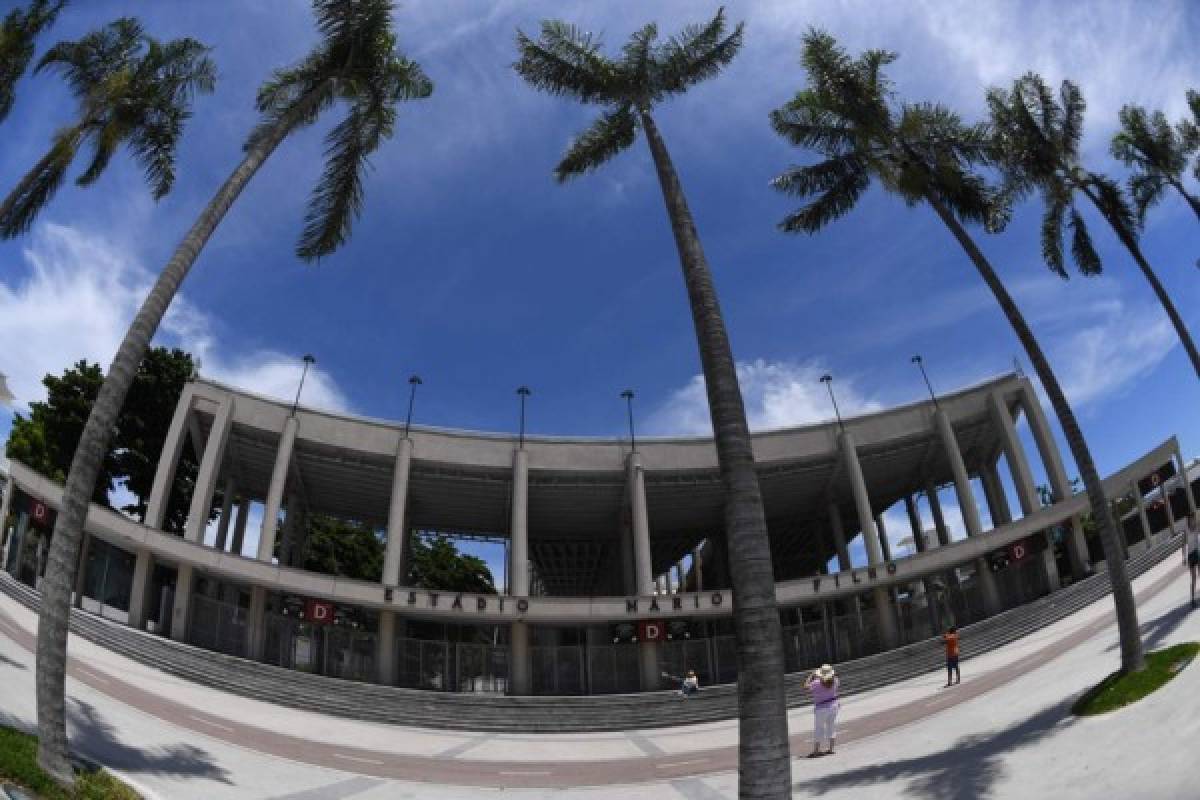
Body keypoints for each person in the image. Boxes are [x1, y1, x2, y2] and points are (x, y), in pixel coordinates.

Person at [804, 663, 839, 757]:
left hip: (821, 708)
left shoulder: (816, 683)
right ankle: (831, 748)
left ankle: (816, 750)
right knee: (831, 726)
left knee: (819, 728)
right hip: (833, 705)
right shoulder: (835, 681)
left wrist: (811, 675)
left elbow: (806, 686)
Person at [1185, 515, 1200, 609]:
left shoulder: (1197, 528)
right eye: (1190, 520)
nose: (1192, 521)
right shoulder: (1186, 531)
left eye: (1193, 519)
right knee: (1193, 577)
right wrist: (1183, 557)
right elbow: (1183, 544)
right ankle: (1192, 599)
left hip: (1198, 552)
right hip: (1191, 555)